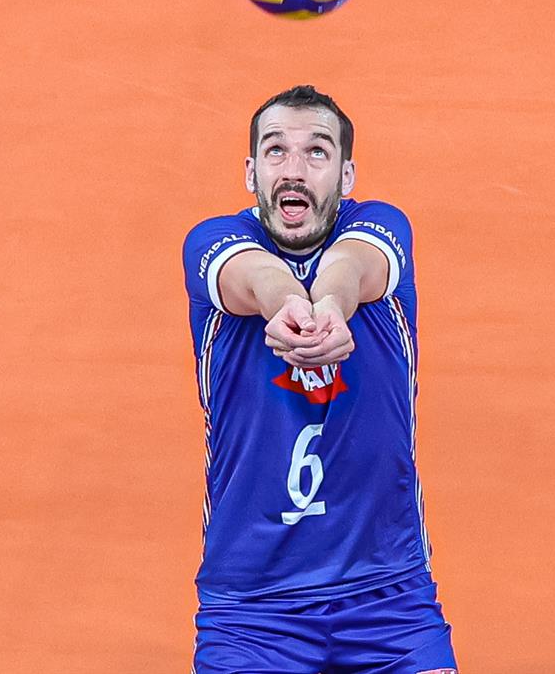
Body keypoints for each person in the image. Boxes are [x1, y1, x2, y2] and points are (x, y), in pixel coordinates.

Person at [182, 85, 458, 673]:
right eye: (276, 150)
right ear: (251, 173)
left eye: (316, 151)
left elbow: (353, 265)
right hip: (252, 611)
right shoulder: (212, 243)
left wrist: (330, 303)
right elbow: (254, 275)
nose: (294, 169)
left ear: (346, 175)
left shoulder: (382, 226)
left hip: (391, 599)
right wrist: (286, 302)